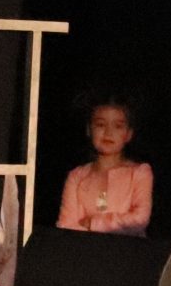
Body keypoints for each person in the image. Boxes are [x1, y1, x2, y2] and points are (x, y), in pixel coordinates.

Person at [56, 97, 153, 236]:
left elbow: (139, 219)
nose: (108, 133)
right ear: (89, 129)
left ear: (128, 134)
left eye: (118, 126)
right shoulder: (77, 176)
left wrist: (94, 223)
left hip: (128, 248)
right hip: (85, 248)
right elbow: (66, 225)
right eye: (101, 125)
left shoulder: (139, 173)